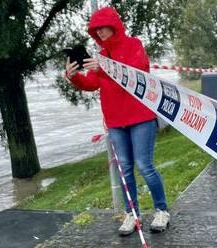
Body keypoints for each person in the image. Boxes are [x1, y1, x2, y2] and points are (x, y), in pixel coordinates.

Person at [65, 7, 170, 236]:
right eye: (96, 29)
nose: (100, 32)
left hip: (141, 117)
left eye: (103, 26)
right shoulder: (100, 56)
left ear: (114, 25)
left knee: (145, 166)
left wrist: (103, 69)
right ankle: (132, 214)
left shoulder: (134, 45)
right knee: (125, 169)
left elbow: (136, 71)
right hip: (115, 122)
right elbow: (92, 84)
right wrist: (74, 78)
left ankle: (161, 210)